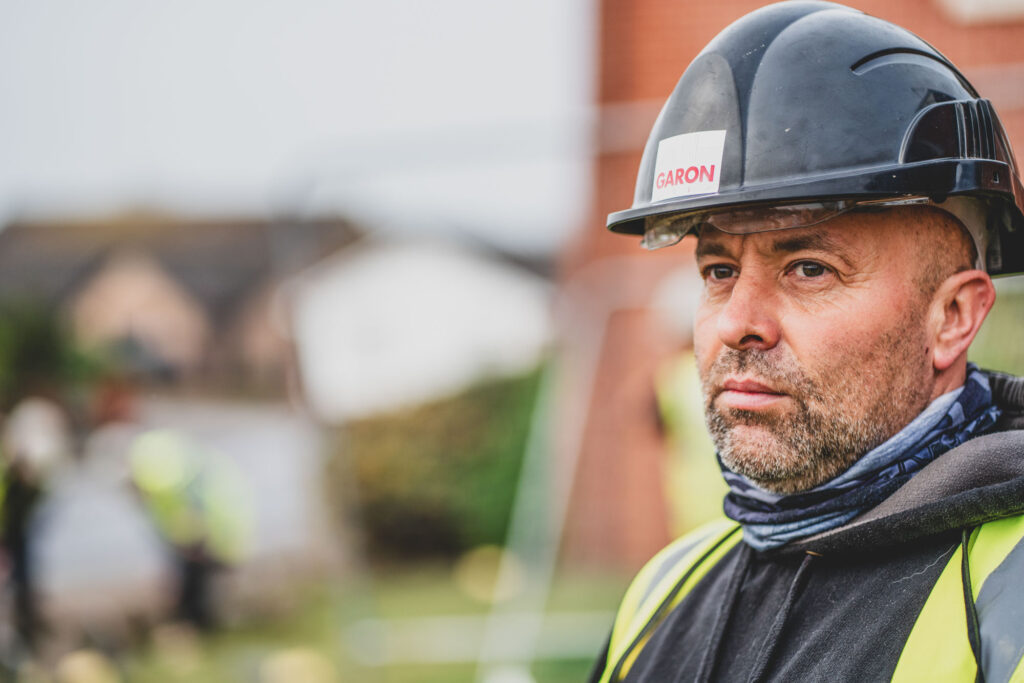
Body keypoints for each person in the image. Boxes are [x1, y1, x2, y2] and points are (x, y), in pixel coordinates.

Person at [589, 2, 1024, 682]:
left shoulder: (1009, 590)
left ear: (953, 317)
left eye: (809, 268)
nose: (738, 321)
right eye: (719, 270)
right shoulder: (663, 592)